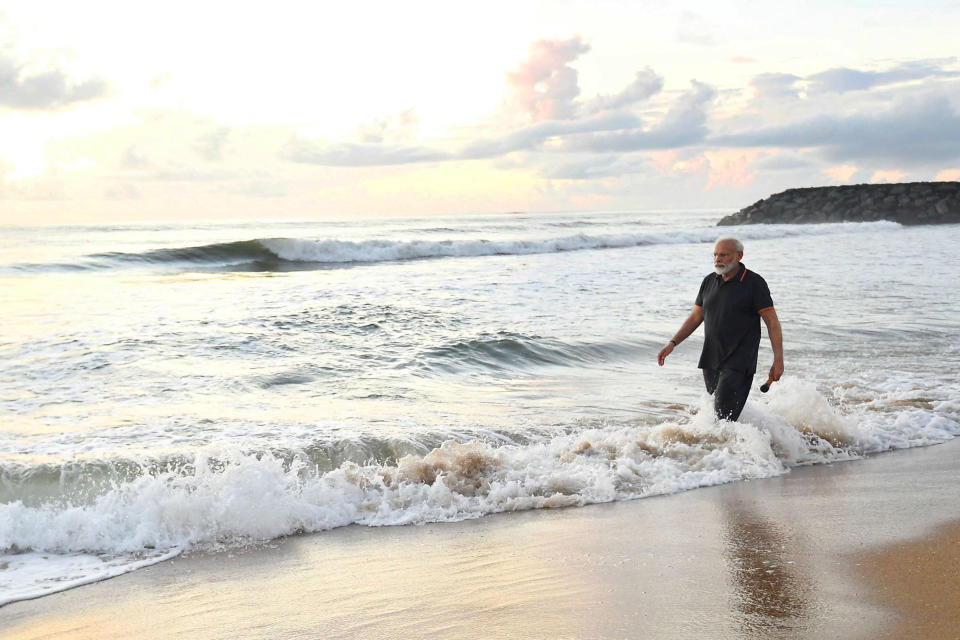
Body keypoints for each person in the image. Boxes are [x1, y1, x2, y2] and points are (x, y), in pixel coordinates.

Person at [657, 237, 783, 421]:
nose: (718, 259)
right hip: (711, 359)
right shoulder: (709, 281)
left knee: (723, 418)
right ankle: (734, 446)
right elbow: (695, 317)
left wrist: (778, 358)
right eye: (715, 255)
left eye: (724, 255)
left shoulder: (754, 283)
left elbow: (772, 322)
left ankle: (728, 449)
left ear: (739, 256)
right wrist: (672, 343)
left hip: (740, 361)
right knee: (719, 415)